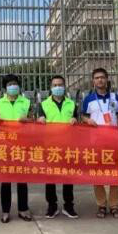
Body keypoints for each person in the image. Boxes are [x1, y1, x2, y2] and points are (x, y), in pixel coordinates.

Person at [81, 67, 118, 219]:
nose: (100, 80)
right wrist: (87, 120)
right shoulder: (88, 99)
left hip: (114, 141)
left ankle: (114, 205)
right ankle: (101, 204)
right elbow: (83, 116)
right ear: (93, 81)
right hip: (96, 141)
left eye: (102, 77)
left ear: (107, 79)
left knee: (115, 173)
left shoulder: (115, 97)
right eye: (97, 78)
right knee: (97, 173)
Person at [37, 75, 79, 219]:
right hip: (50, 146)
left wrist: (75, 119)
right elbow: (38, 122)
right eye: (55, 85)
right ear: (51, 87)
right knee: (50, 177)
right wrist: (40, 119)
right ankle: (52, 206)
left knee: (68, 177)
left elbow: (78, 121)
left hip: (68, 146)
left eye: (60, 85)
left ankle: (69, 206)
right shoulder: (43, 104)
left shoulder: (72, 104)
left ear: (64, 86)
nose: (58, 87)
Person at [0, 73, 33, 223]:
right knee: (6, 180)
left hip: (22, 145)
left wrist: (27, 119)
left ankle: (23, 209)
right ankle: (5, 211)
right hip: (4, 145)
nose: (13, 86)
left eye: (15, 84)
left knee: (22, 179)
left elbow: (34, 121)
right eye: (9, 84)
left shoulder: (26, 102)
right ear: (5, 88)